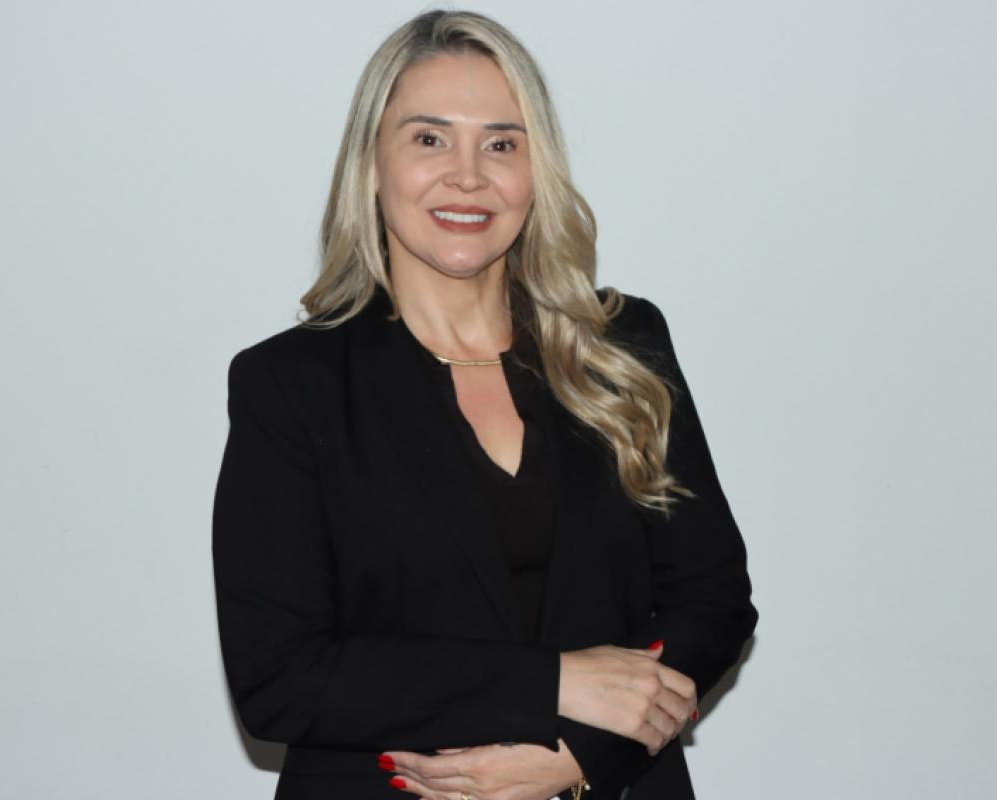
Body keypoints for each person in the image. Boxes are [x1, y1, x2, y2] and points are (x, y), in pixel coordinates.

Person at [212, 9, 757, 800]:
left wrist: (581, 756)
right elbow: (280, 678)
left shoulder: (624, 344)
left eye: (502, 144)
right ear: (372, 163)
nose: (468, 176)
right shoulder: (290, 385)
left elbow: (713, 601)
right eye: (429, 139)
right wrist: (551, 685)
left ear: (538, 172)